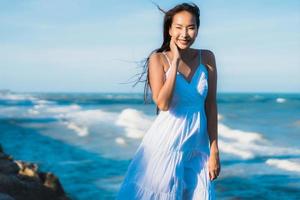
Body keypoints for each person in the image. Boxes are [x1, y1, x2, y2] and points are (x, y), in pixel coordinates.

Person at [117, 2, 220, 199]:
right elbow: (163, 104)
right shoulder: (157, 59)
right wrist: (175, 63)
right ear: (170, 29)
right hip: (167, 144)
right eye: (179, 28)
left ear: (197, 29)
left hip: (198, 147)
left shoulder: (207, 57)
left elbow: (211, 104)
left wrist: (214, 148)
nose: (185, 34)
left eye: (191, 28)